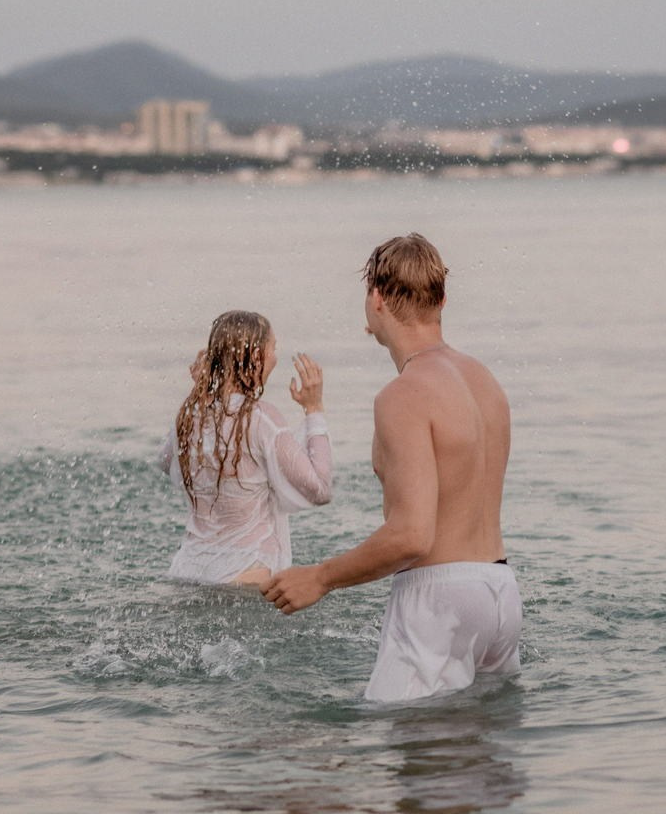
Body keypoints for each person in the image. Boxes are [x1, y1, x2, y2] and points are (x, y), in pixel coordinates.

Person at [262, 234, 521, 702]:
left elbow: (412, 535)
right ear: (442, 299)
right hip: (499, 592)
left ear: (376, 299)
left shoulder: (402, 395)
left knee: (410, 750)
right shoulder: (485, 381)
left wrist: (319, 577)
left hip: (440, 599)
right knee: (482, 764)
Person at [159, 309, 332, 586]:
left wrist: (198, 391)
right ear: (258, 356)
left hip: (189, 570)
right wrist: (314, 409)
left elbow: (165, 462)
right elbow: (320, 489)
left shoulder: (189, 416)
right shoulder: (262, 419)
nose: (276, 357)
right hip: (246, 572)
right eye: (273, 348)